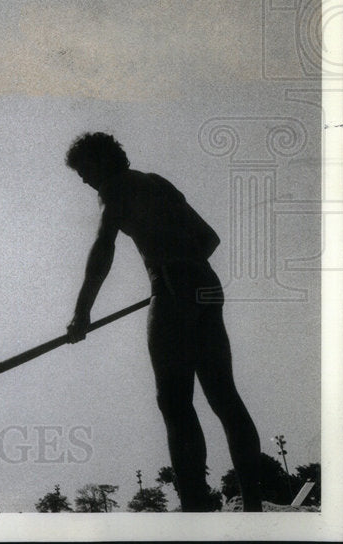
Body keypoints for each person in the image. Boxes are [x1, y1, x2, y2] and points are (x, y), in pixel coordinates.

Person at [64, 132, 262, 512]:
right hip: (205, 286)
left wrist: (82, 312)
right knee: (223, 395)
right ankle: (253, 501)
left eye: (85, 170)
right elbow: (209, 238)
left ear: (102, 162)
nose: (84, 180)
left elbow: (103, 249)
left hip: (171, 287)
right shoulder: (156, 182)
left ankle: (194, 508)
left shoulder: (114, 188)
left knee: (174, 402)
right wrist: (185, 269)